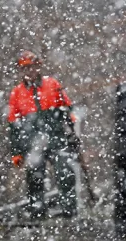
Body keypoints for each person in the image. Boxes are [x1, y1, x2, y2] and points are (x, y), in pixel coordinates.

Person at [7, 50, 78, 220]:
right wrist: (16, 152)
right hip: (33, 145)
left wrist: (71, 129)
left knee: (65, 174)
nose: (29, 71)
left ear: (38, 67)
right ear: (20, 71)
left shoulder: (52, 84)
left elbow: (67, 109)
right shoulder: (16, 94)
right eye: (25, 68)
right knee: (34, 179)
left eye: (32, 67)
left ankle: (69, 211)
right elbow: (13, 126)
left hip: (57, 139)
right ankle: (37, 213)